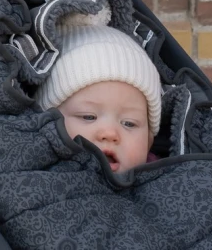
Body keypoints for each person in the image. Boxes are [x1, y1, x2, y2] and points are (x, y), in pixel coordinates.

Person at [35, 19, 162, 172]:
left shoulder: (168, 179)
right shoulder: (27, 173)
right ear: (46, 124)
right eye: (88, 116)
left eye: (129, 123)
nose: (110, 134)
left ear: (149, 141)